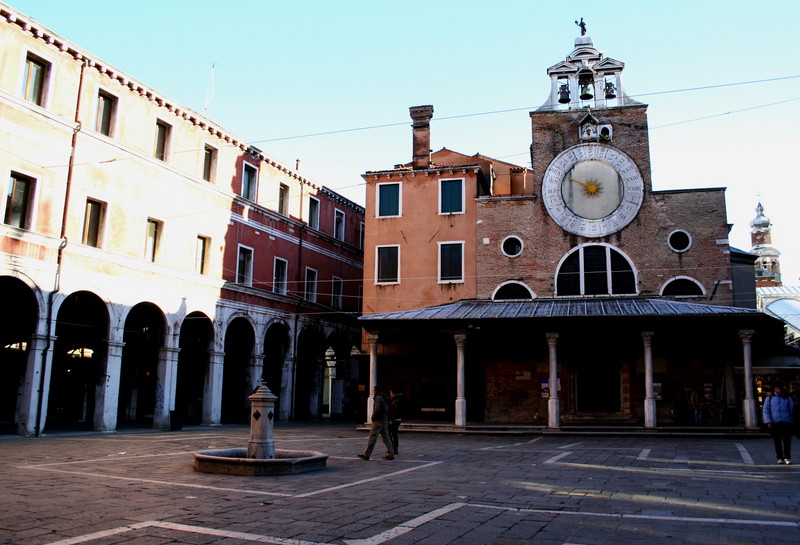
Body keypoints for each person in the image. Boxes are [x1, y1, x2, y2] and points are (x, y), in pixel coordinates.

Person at [358, 386, 394, 461]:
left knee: (372, 437)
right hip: (384, 419)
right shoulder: (385, 397)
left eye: (373, 390)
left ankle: (367, 454)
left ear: (376, 390)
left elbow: (377, 410)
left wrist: (373, 418)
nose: (372, 391)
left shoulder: (378, 398)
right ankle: (391, 453)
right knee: (386, 438)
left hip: (378, 420)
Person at [763, 383, 794, 464]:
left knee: (787, 441)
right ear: (774, 389)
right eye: (777, 388)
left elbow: (792, 410)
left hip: (786, 422)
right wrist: (768, 421)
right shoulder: (770, 398)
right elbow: (766, 410)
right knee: (777, 441)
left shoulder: (787, 398)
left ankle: (787, 457)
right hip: (775, 422)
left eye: (780, 388)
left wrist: (792, 421)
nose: (779, 390)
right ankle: (779, 457)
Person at [388, 389, 404, 455]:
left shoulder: (395, 401)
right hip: (398, 419)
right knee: (394, 434)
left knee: (393, 434)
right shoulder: (397, 400)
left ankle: (393, 448)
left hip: (395, 420)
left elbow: (394, 411)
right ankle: (394, 448)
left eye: (391, 393)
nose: (390, 394)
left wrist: (391, 419)